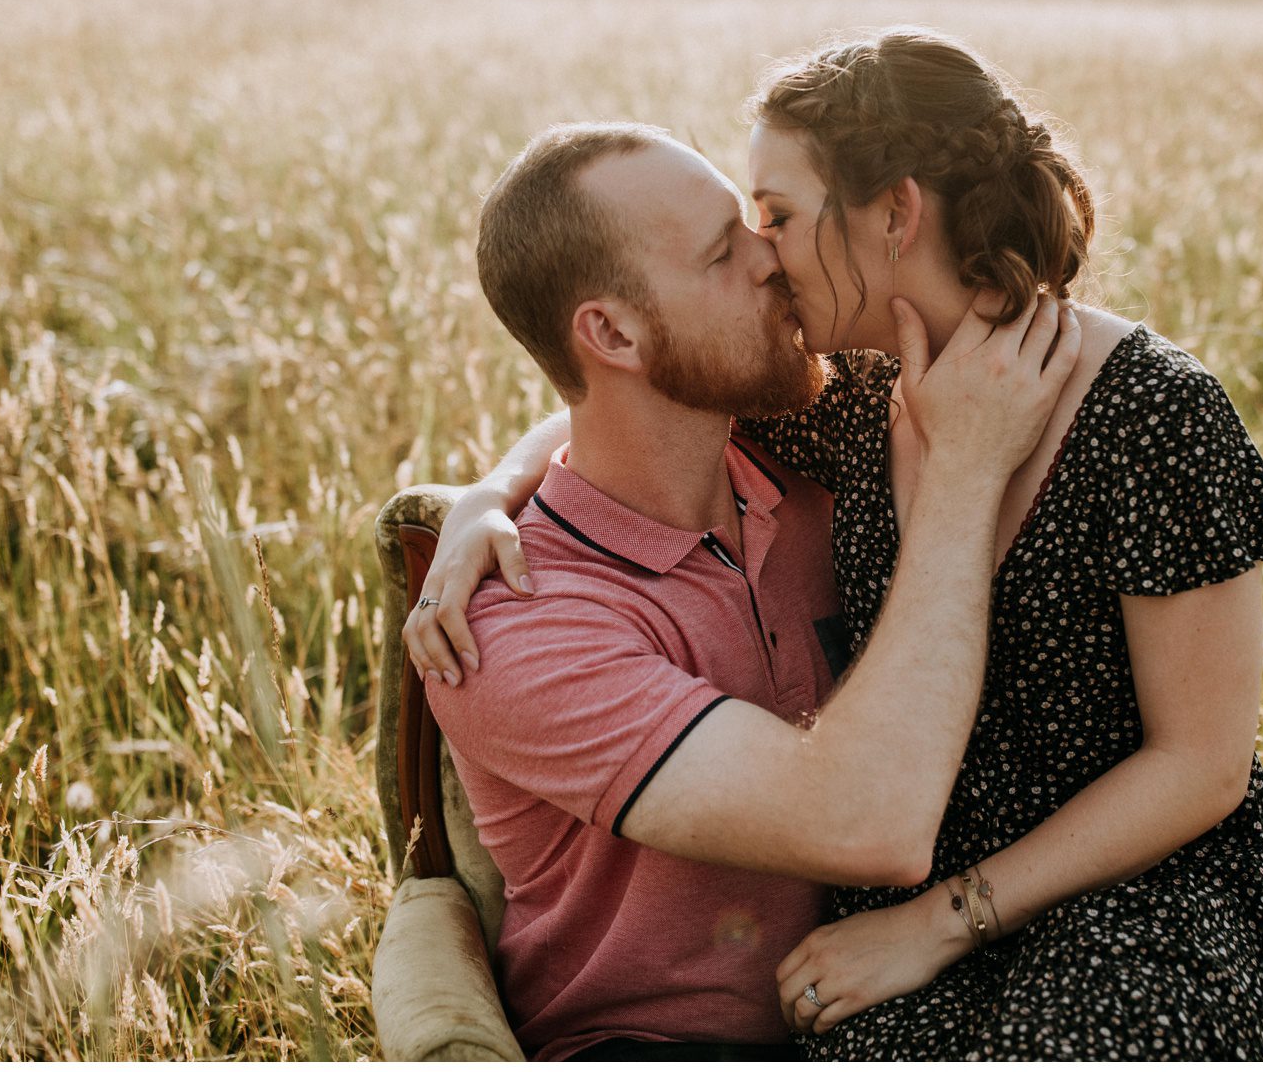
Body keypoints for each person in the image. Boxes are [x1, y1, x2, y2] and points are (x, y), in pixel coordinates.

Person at [414, 27, 1263, 1059]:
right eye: (740, 237)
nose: (766, 257)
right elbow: (632, 412)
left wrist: (941, 921)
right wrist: (484, 495)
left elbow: (1202, 762)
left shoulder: (1144, 409)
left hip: (1113, 902)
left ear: (895, 212)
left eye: (777, 218)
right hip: (859, 939)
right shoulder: (843, 410)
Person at [415, 120, 1082, 1060]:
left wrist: (493, 482)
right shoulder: (515, 626)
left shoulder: (809, 456)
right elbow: (870, 824)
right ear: (612, 331)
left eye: (757, 224)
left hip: (894, 1013)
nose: (773, 260)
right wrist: (965, 480)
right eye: (724, 253)